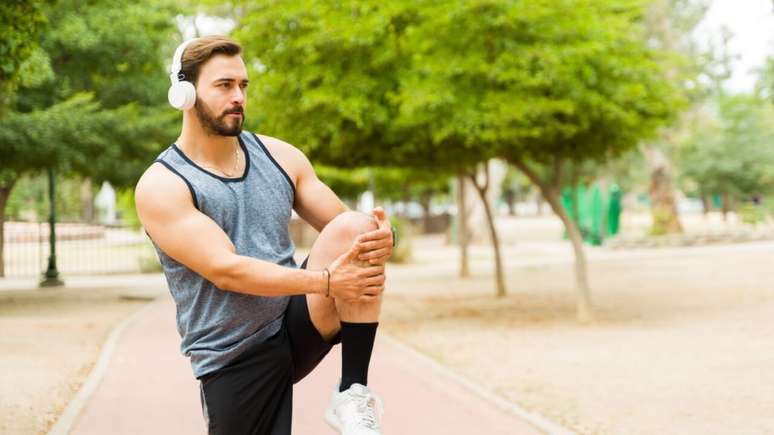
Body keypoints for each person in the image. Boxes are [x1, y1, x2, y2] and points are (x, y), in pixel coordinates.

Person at [134, 35, 393, 435]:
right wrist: (325, 282)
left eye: (243, 85)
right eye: (223, 85)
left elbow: (347, 232)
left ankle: (352, 391)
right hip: (232, 354)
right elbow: (227, 271)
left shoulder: (281, 156)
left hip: (293, 323)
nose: (237, 96)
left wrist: (378, 239)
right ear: (184, 93)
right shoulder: (163, 185)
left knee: (357, 229)